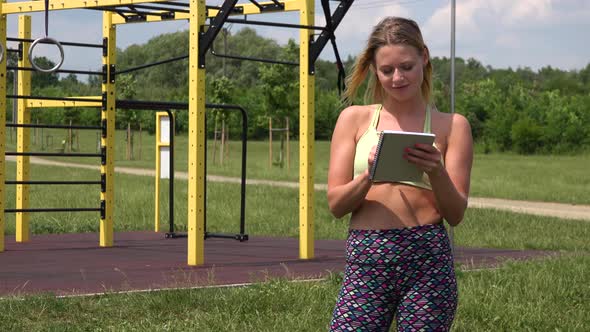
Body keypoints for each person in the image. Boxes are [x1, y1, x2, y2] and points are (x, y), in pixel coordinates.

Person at [327, 17, 473, 331]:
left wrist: (436, 170)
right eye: (387, 70)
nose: (397, 77)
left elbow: (456, 213)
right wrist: (369, 174)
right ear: (374, 70)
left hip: (427, 260)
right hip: (367, 257)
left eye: (406, 66)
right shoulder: (354, 119)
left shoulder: (452, 126)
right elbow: (337, 205)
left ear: (425, 56)